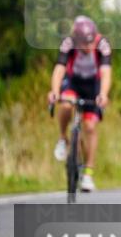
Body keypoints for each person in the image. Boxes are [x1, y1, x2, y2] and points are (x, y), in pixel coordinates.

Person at [46, 16, 112, 192]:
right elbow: (59, 69)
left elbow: (106, 73)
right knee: (66, 105)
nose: (88, 47)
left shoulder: (102, 45)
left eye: (90, 43)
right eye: (84, 44)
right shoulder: (68, 43)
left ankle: (88, 174)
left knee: (90, 126)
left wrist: (103, 95)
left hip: (93, 85)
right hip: (74, 82)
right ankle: (62, 138)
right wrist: (54, 91)